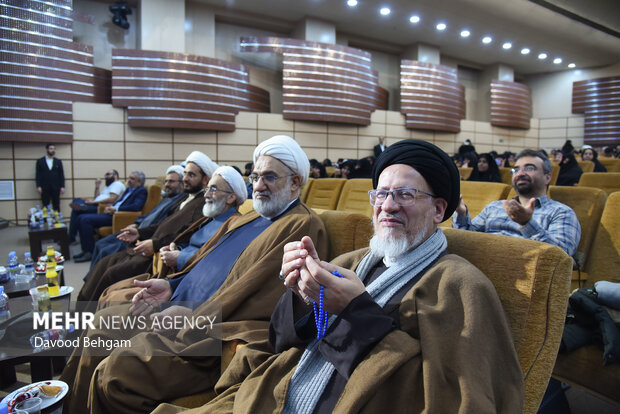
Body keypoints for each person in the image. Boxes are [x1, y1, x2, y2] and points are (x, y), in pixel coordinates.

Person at [184, 139, 523, 414]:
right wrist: (303, 298)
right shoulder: (350, 261)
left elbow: (454, 398)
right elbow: (283, 340)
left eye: (405, 194)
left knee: (139, 351)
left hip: (207, 332)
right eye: (381, 194)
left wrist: (355, 313)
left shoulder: (460, 285)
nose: (388, 206)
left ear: (438, 210)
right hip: (263, 382)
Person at [59, 135, 328, 414]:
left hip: (206, 334)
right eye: (255, 176)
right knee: (101, 325)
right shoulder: (250, 217)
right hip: (175, 305)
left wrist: (193, 314)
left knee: (115, 373)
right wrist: (171, 283)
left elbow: (265, 299)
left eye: (269, 177)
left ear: (295, 182)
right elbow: (203, 261)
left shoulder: (301, 225)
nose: (258, 186)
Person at [76, 151, 217, 302]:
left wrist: (155, 244)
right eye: (185, 174)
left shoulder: (204, 203)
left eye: (191, 175)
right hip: (146, 245)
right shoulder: (184, 197)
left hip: (155, 255)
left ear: (205, 180)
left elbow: (187, 234)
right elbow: (161, 223)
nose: (185, 179)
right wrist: (138, 232)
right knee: (103, 263)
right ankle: (81, 310)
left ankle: (87, 315)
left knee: (111, 273)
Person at [454, 149, 580, 256]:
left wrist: (527, 224)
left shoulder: (561, 212)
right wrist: (461, 213)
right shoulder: (495, 206)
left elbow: (561, 256)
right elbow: (466, 240)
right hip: (479, 264)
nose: (520, 173)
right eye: (515, 170)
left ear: (547, 177)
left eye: (529, 168)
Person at [86, 165, 185, 273]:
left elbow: (161, 224)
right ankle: (89, 278)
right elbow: (148, 215)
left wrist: (140, 231)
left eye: (171, 182)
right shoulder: (167, 198)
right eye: (166, 181)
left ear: (182, 183)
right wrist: (136, 224)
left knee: (105, 251)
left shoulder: (179, 202)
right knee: (100, 243)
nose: (167, 185)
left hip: (143, 236)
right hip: (137, 229)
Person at [158, 166, 247, 273]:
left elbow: (220, 262)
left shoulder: (235, 224)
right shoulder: (210, 218)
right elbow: (193, 245)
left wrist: (180, 258)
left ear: (231, 197)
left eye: (213, 189)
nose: (206, 195)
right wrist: (176, 249)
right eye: (207, 189)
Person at [73, 171, 148, 262]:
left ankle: (89, 252)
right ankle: (85, 250)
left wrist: (116, 209)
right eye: (129, 178)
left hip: (118, 217)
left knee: (84, 219)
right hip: (112, 213)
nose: (129, 180)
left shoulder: (141, 191)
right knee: (80, 217)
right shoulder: (128, 189)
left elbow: (136, 207)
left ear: (139, 182)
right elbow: (119, 202)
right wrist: (110, 207)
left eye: (132, 179)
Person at [68, 169, 125, 242]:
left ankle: (71, 237)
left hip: (100, 207)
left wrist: (93, 203)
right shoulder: (108, 186)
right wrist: (97, 186)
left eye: (108, 174)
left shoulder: (117, 184)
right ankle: (81, 207)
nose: (106, 176)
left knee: (76, 210)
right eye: (106, 174)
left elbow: (112, 199)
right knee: (76, 200)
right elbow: (96, 197)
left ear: (115, 176)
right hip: (95, 204)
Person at [35, 143, 65, 211]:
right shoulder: (40, 161)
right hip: (44, 187)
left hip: (56, 187)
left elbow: (61, 175)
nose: (53, 150)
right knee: (45, 205)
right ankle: (46, 221)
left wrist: (62, 186)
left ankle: (57, 220)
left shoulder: (58, 161)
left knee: (56, 205)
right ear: (47, 149)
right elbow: (38, 175)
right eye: (51, 149)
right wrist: (38, 186)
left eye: (54, 149)